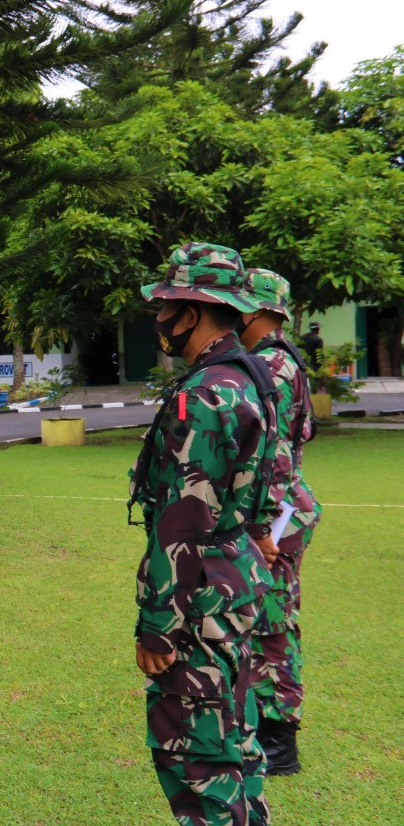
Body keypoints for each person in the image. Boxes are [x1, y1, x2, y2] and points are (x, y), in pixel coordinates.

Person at [127, 244, 277, 824]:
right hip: (233, 583)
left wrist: (158, 627)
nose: (158, 319)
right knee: (234, 744)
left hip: (198, 601)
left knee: (197, 760)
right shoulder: (251, 377)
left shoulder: (206, 394)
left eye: (165, 306)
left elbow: (181, 525)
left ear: (191, 313)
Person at [239, 269, 322, 775]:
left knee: (274, 624)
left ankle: (279, 739)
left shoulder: (270, 363)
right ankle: (263, 721)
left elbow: (277, 454)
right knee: (270, 620)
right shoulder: (283, 358)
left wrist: (264, 528)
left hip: (279, 513)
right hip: (286, 508)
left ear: (257, 310)